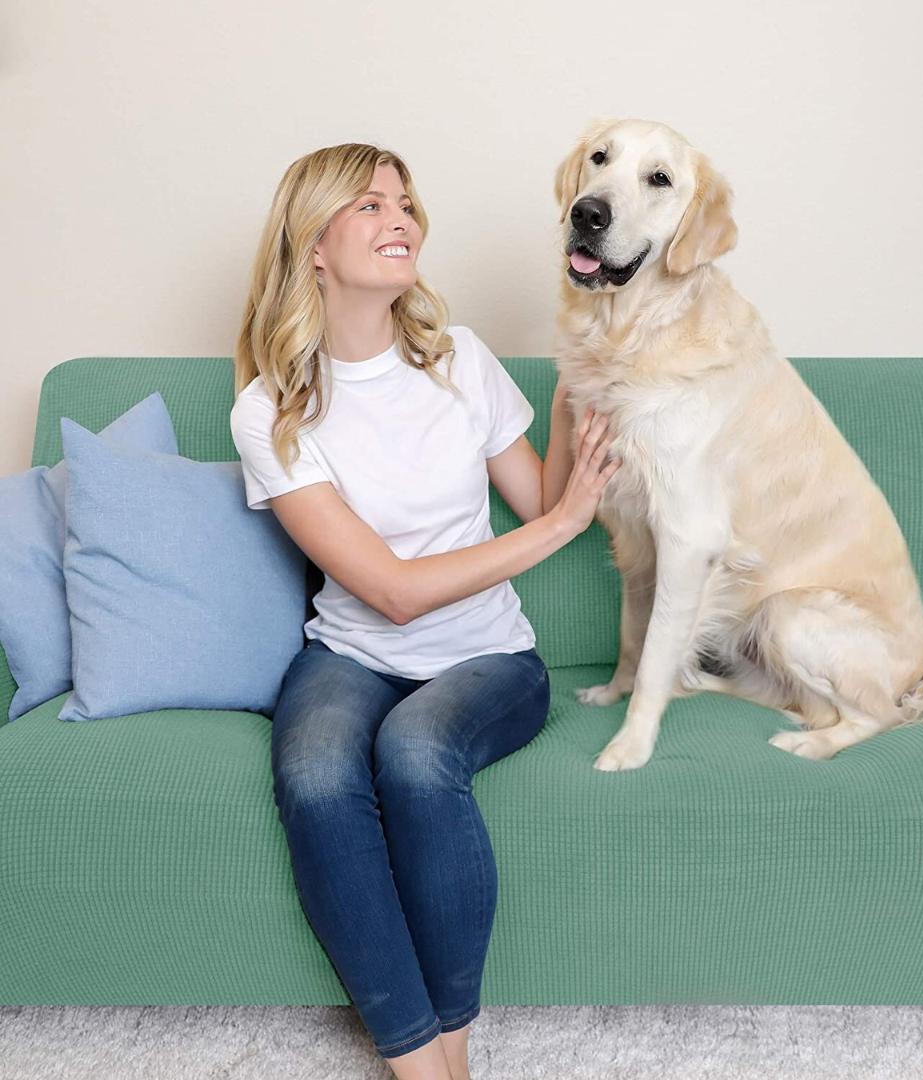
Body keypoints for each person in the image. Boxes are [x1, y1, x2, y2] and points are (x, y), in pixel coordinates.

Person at [228, 143, 621, 1080]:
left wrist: (576, 376)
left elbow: (538, 494)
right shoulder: (270, 409)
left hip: (489, 657)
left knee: (414, 754)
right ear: (312, 245)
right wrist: (565, 526)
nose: (400, 219)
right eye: (369, 206)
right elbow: (392, 595)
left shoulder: (456, 359)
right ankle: (423, 1063)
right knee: (317, 778)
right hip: (355, 651)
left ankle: (450, 1050)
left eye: (405, 203)